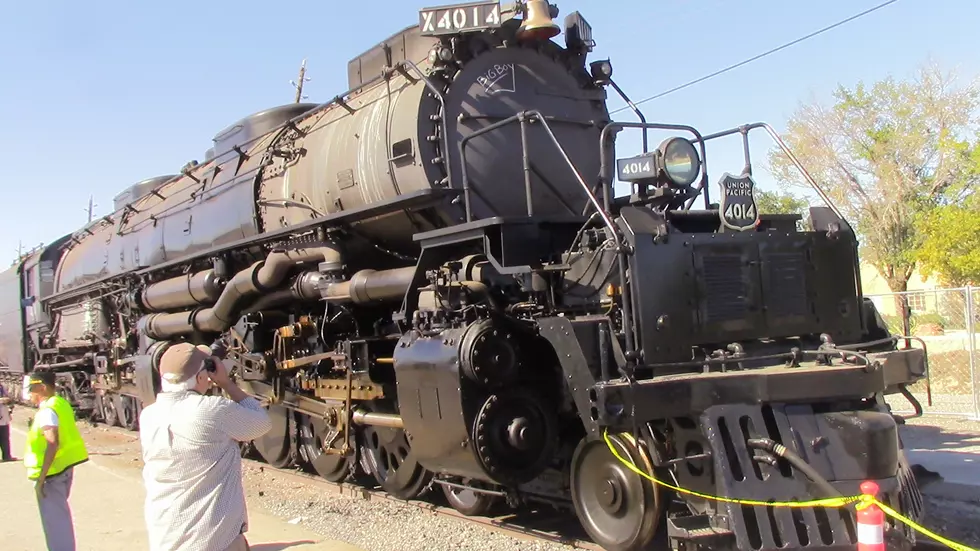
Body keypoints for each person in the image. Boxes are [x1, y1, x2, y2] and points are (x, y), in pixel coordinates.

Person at [139, 342, 272, 551]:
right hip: (213, 539)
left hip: (165, 537)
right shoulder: (211, 410)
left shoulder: (148, 416)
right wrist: (227, 384)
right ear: (201, 378)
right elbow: (261, 423)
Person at [24, 370, 89, 551]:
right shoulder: (61, 403)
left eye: (32, 389)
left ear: (42, 387)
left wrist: (42, 478)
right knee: (59, 518)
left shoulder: (47, 411)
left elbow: (52, 441)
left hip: (51, 475)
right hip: (63, 469)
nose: (29, 394)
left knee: (55, 524)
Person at [0, 383, 15, 462]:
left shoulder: (2, 387)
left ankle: (7, 456)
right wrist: (1, 400)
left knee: (5, 438)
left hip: (4, 417)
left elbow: (10, 399)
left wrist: (9, 401)